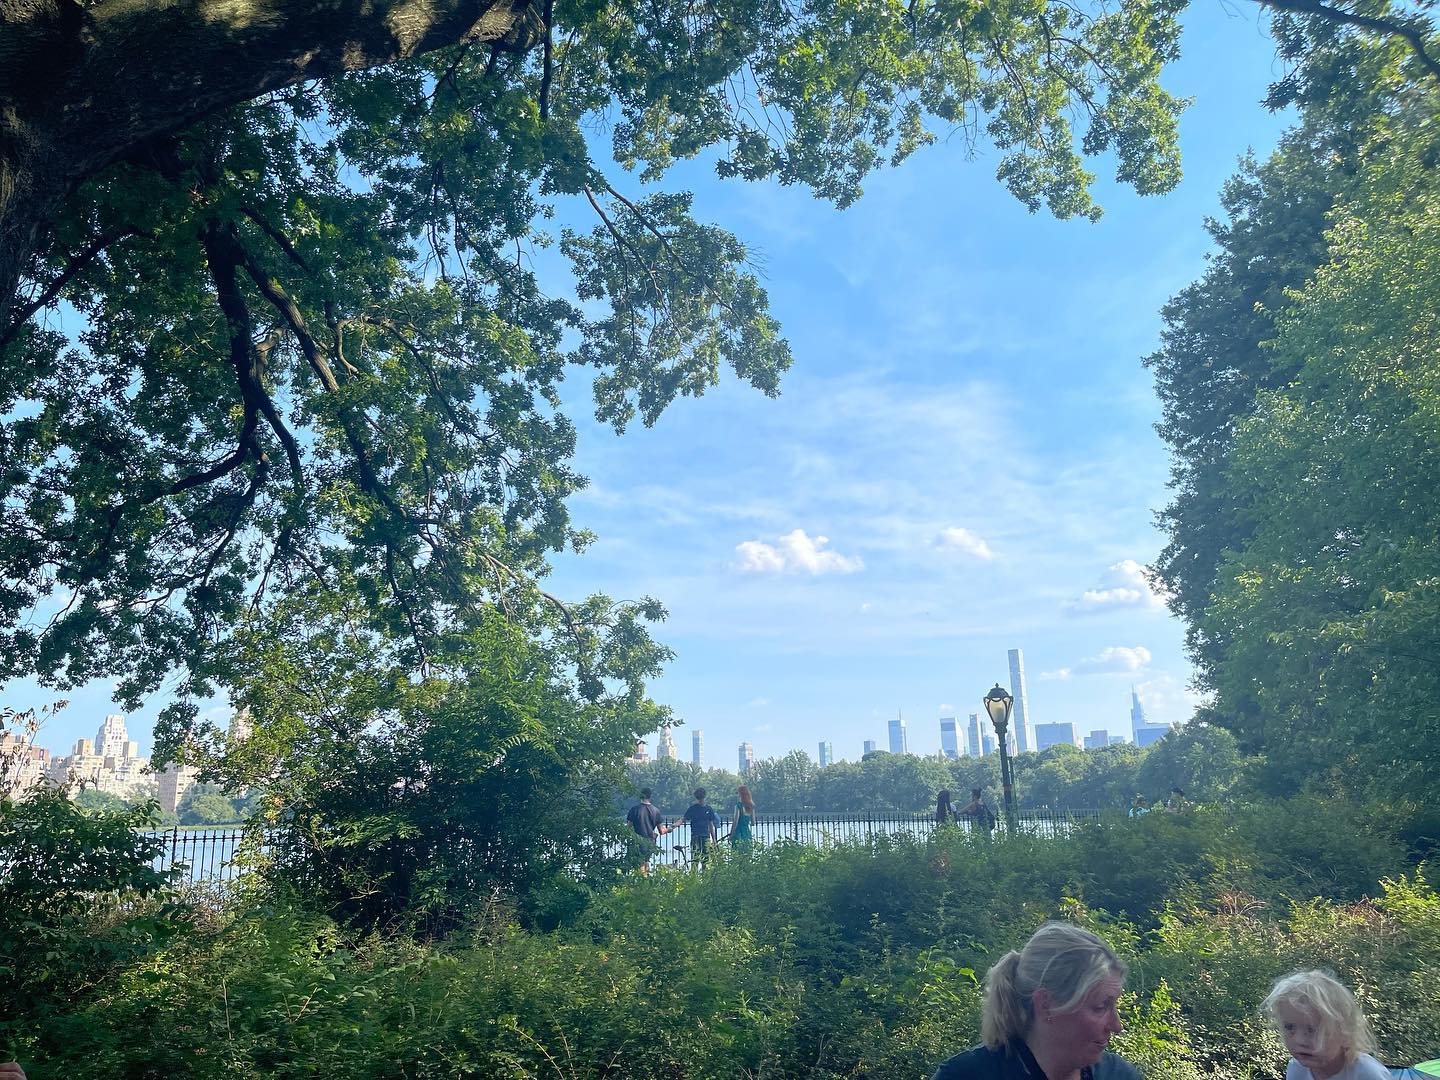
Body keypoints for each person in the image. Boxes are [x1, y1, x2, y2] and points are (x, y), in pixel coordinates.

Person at [931, 922, 1142, 1080]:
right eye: (1100, 1007)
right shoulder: (965, 1075)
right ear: (1046, 1004)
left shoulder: (1117, 1074)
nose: (1117, 1026)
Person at [1262, 970, 1390, 1080]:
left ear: (1346, 1032)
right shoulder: (1297, 1068)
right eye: (1289, 1027)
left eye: (1313, 1030)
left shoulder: (1368, 1074)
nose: (1299, 1040)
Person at [625, 787, 669, 874]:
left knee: (640, 863)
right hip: (650, 841)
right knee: (646, 862)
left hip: (637, 841)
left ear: (640, 796)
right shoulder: (656, 811)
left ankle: (642, 882)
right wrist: (669, 829)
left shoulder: (634, 810)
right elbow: (662, 831)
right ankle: (646, 881)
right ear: (650, 796)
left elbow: (628, 828)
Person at [681, 787, 718, 866]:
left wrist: (714, 839)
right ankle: (700, 876)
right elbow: (711, 825)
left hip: (700, 836)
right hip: (700, 837)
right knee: (700, 860)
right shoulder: (706, 809)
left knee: (699, 860)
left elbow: (683, 819)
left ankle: (696, 876)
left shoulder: (695, 809)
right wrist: (714, 840)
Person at [730, 784, 755, 851]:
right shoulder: (751, 806)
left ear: (740, 794)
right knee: (747, 852)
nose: (737, 795)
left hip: (739, 832)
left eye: (737, 793)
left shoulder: (738, 806)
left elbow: (735, 821)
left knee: (737, 853)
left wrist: (731, 834)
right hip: (747, 832)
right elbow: (753, 822)